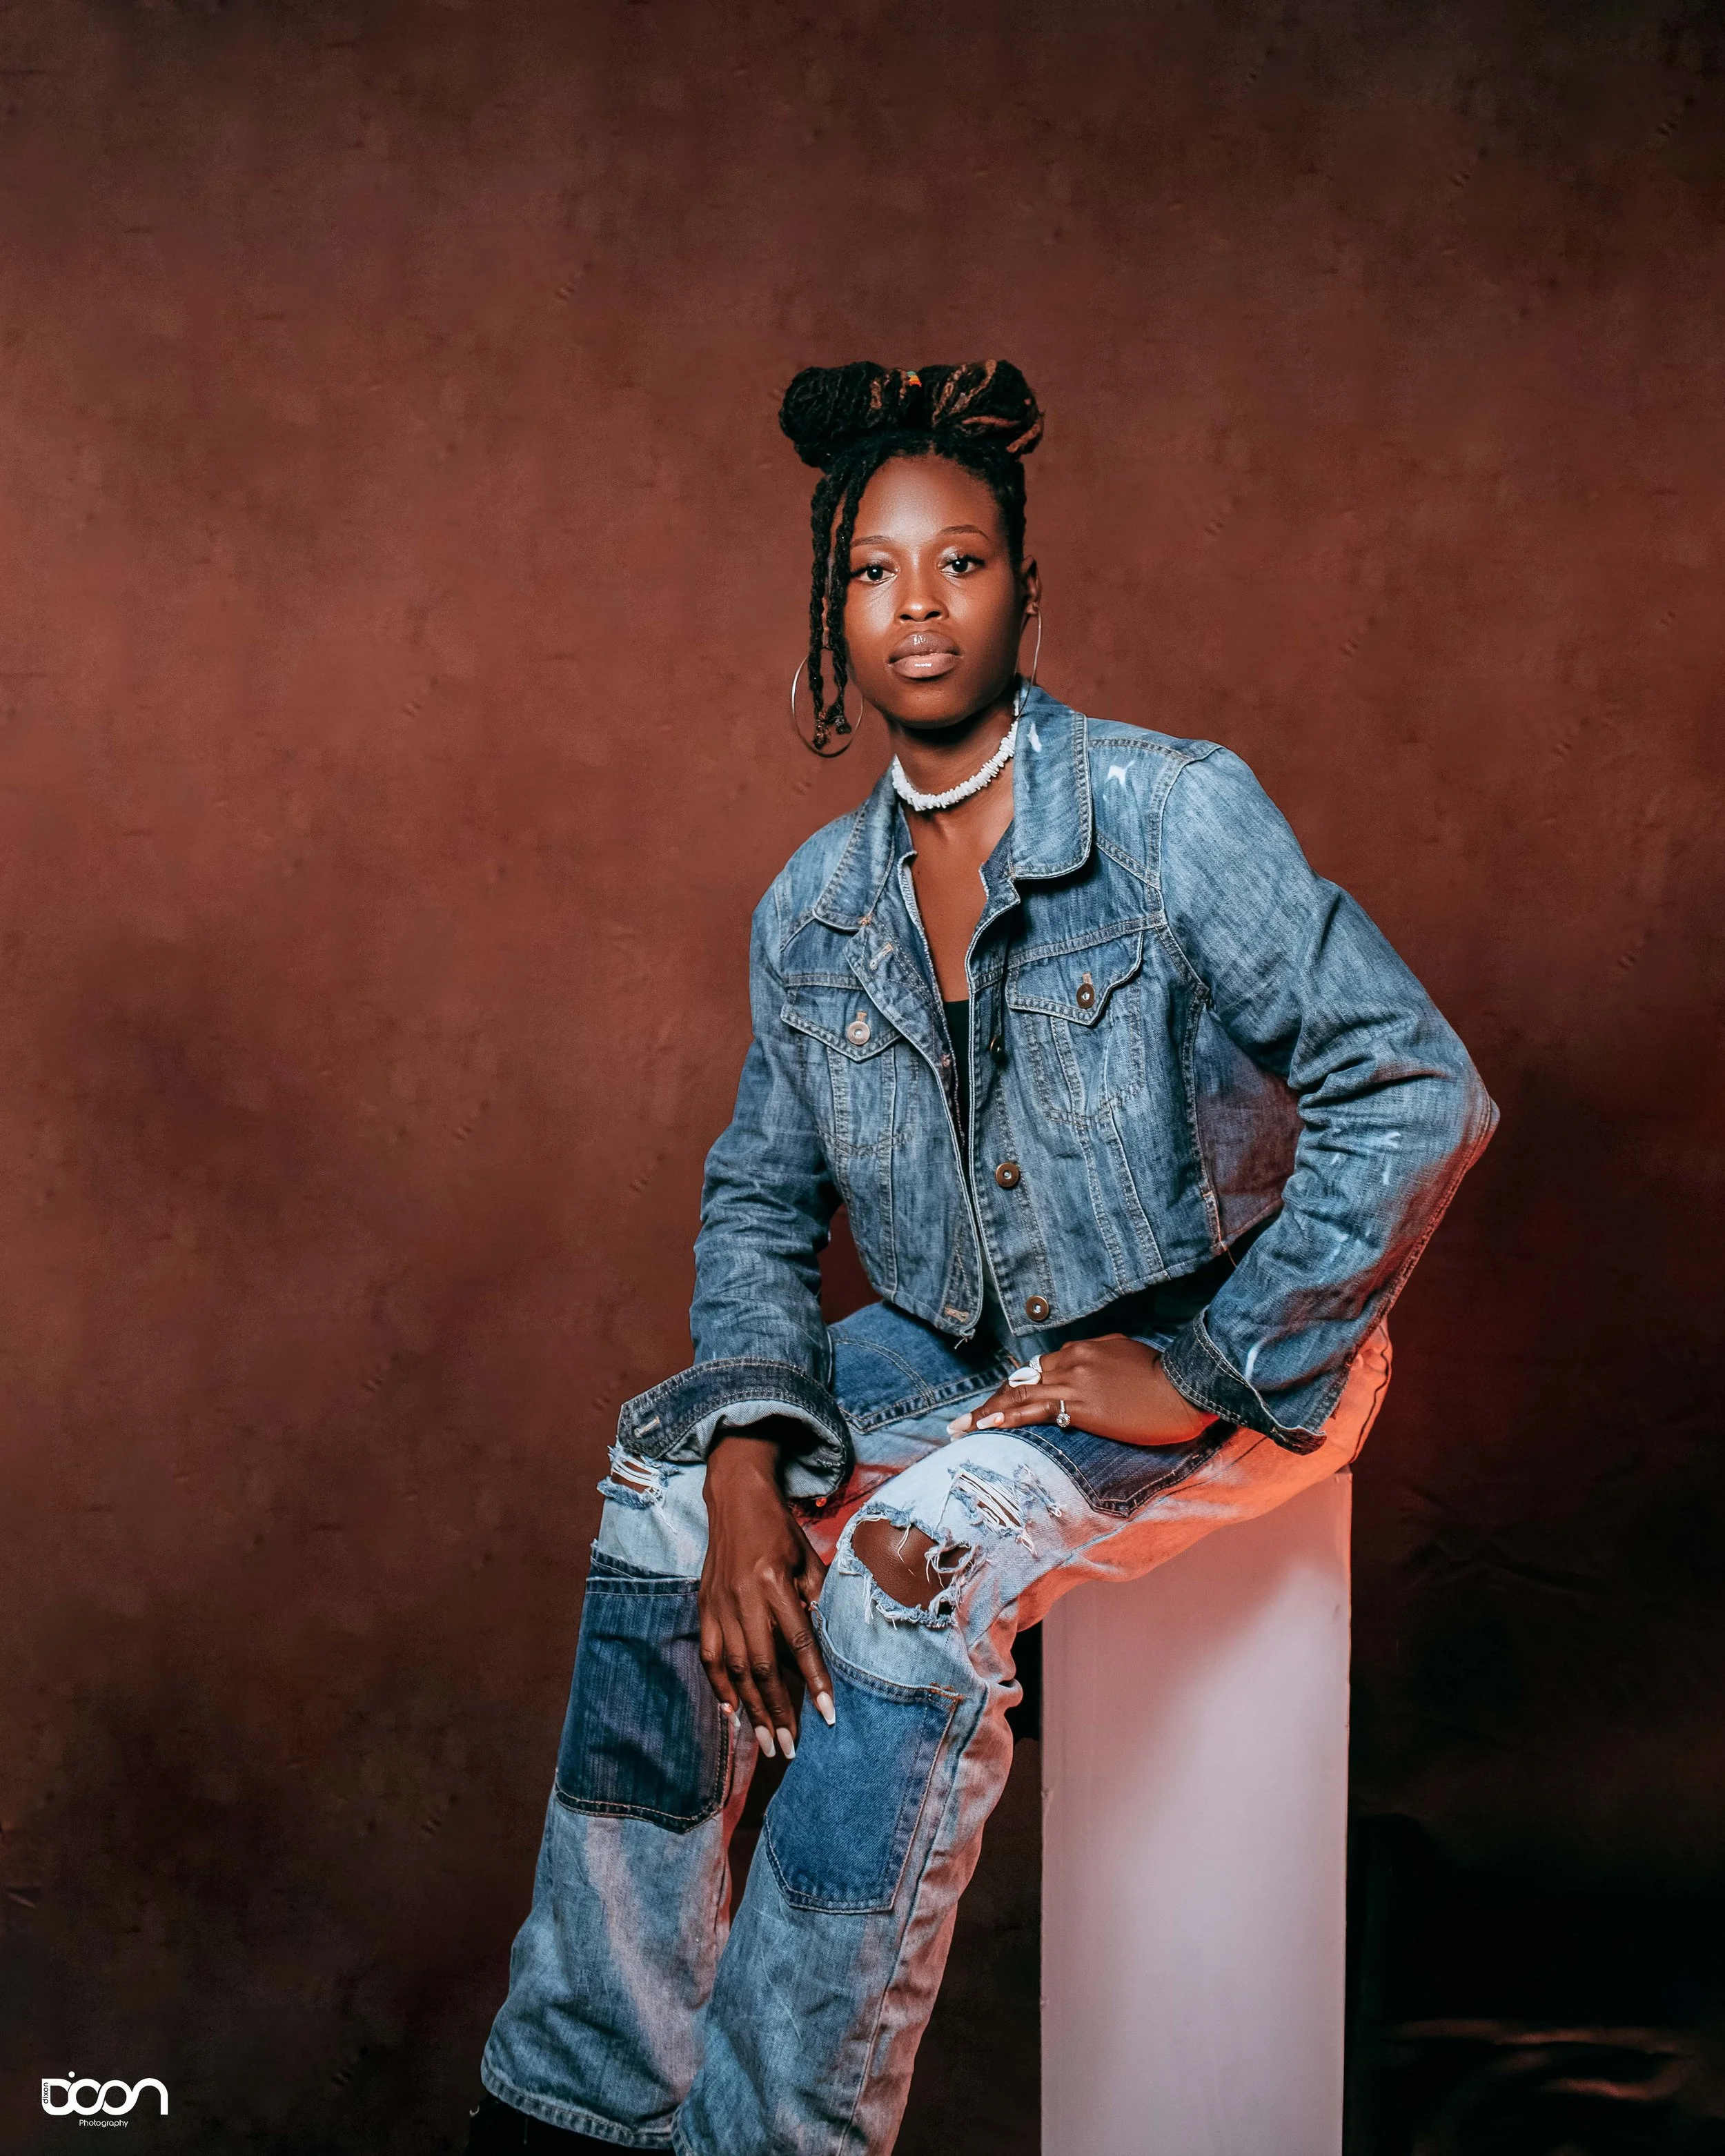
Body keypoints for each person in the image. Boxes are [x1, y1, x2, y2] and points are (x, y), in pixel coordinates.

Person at [464, 360, 1498, 2154]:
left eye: (958, 563)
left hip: (1247, 1354)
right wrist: (732, 1463)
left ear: (1024, 591)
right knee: (650, 1471)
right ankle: (584, 2100)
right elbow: (760, 1209)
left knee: (896, 1569)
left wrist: (1195, 1367)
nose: (919, 604)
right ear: (830, 616)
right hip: (966, 1354)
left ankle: (777, 2128)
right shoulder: (814, 907)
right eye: (875, 571)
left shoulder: (1172, 815)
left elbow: (1418, 1087)